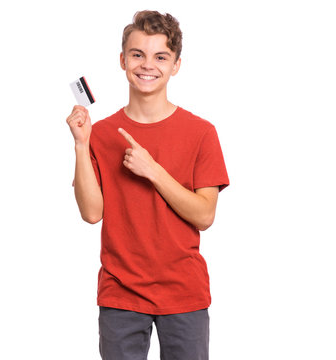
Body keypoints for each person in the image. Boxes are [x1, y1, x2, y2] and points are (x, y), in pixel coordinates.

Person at [66, 10, 229, 360]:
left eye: (160, 56)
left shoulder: (201, 133)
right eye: (138, 54)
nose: (147, 65)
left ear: (176, 65)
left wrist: (153, 170)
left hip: (183, 293)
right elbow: (92, 213)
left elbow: (204, 215)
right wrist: (81, 144)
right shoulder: (103, 134)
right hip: (120, 292)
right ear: (123, 60)